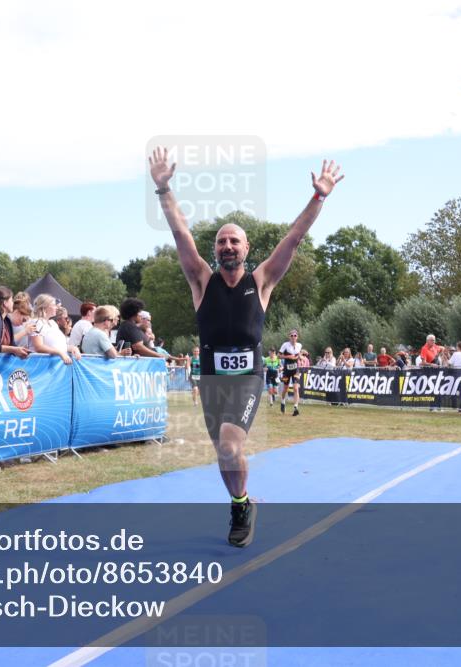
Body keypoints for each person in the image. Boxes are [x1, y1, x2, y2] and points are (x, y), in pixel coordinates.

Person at [150, 145, 343, 547]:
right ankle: (242, 501)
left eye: (235, 241)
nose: (227, 247)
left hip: (248, 379)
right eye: (221, 241)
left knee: (229, 443)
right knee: (223, 453)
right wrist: (164, 190)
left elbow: (294, 237)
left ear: (247, 249)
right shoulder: (202, 282)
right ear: (215, 250)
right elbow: (181, 234)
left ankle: (240, 508)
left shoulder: (262, 281)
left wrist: (319, 196)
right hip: (212, 380)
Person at [28, 294, 81, 364]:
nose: (56, 308)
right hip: (41, 365)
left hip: (55, 367)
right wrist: (60, 353)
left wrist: (73, 348)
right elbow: (38, 347)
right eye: (54, 305)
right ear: (45, 307)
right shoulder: (36, 322)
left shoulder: (53, 323)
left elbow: (61, 346)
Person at [279, 330, 304, 416]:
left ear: (297, 337)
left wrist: (301, 358)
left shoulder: (299, 345)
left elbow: (298, 354)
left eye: (295, 335)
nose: (293, 337)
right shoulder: (285, 345)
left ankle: (296, 407)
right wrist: (288, 356)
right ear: (289, 336)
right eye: (292, 335)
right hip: (286, 371)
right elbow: (279, 356)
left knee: (296, 388)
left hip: (295, 370)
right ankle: (282, 401)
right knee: (285, 388)